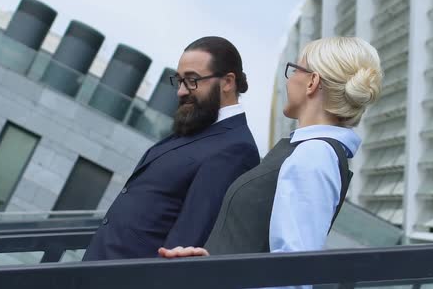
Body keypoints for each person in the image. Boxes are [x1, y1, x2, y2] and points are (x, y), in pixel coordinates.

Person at [158, 36, 383, 286]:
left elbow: (292, 275)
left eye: (295, 69)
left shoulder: (314, 155)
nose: (289, 80)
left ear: (312, 82)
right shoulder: (308, 151)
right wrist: (212, 261)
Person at [82, 36, 260, 260]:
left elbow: (187, 241)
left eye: (192, 80)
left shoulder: (236, 149)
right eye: (179, 81)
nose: (181, 91)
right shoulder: (197, 126)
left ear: (227, 82)